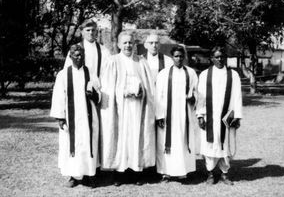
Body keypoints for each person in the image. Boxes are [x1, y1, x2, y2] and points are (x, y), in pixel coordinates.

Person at [100, 31, 155, 186]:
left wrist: (141, 92)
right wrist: (122, 92)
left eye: (130, 42)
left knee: (136, 136)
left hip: (138, 107)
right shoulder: (113, 61)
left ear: (135, 44)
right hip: (120, 108)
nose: (128, 46)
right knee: (122, 138)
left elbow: (149, 87)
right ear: (118, 44)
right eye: (124, 43)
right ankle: (120, 173)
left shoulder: (141, 62)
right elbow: (107, 87)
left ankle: (136, 172)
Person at [50, 44, 101, 188]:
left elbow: (99, 93)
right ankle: (72, 175)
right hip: (71, 117)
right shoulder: (63, 74)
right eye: (76, 55)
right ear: (70, 56)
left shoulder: (90, 72)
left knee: (88, 144)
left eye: (81, 55)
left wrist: (94, 95)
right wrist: (60, 117)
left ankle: (90, 175)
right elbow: (58, 96)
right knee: (70, 145)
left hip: (88, 116)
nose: (79, 58)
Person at [196, 46, 242, 185]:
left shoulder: (233, 75)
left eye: (222, 56)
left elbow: (237, 96)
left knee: (225, 145)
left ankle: (224, 173)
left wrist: (237, 116)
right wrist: (200, 115)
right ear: (211, 58)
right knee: (209, 144)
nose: (220, 59)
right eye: (216, 57)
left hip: (226, 117)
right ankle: (210, 173)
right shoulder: (205, 75)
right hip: (209, 116)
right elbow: (201, 97)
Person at [155, 46, 198, 183]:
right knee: (167, 143)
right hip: (168, 115)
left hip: (184, 114)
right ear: (172, 57)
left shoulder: (191, 73)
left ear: (184, 57)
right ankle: (166, 172)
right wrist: (159, 115)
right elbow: (158, 96)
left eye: (181, 56)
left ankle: (183, 172)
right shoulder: (164, 73)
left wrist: (193, 98)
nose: (179, 59)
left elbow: (197, 92)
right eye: (176, 56)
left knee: (183, 141)